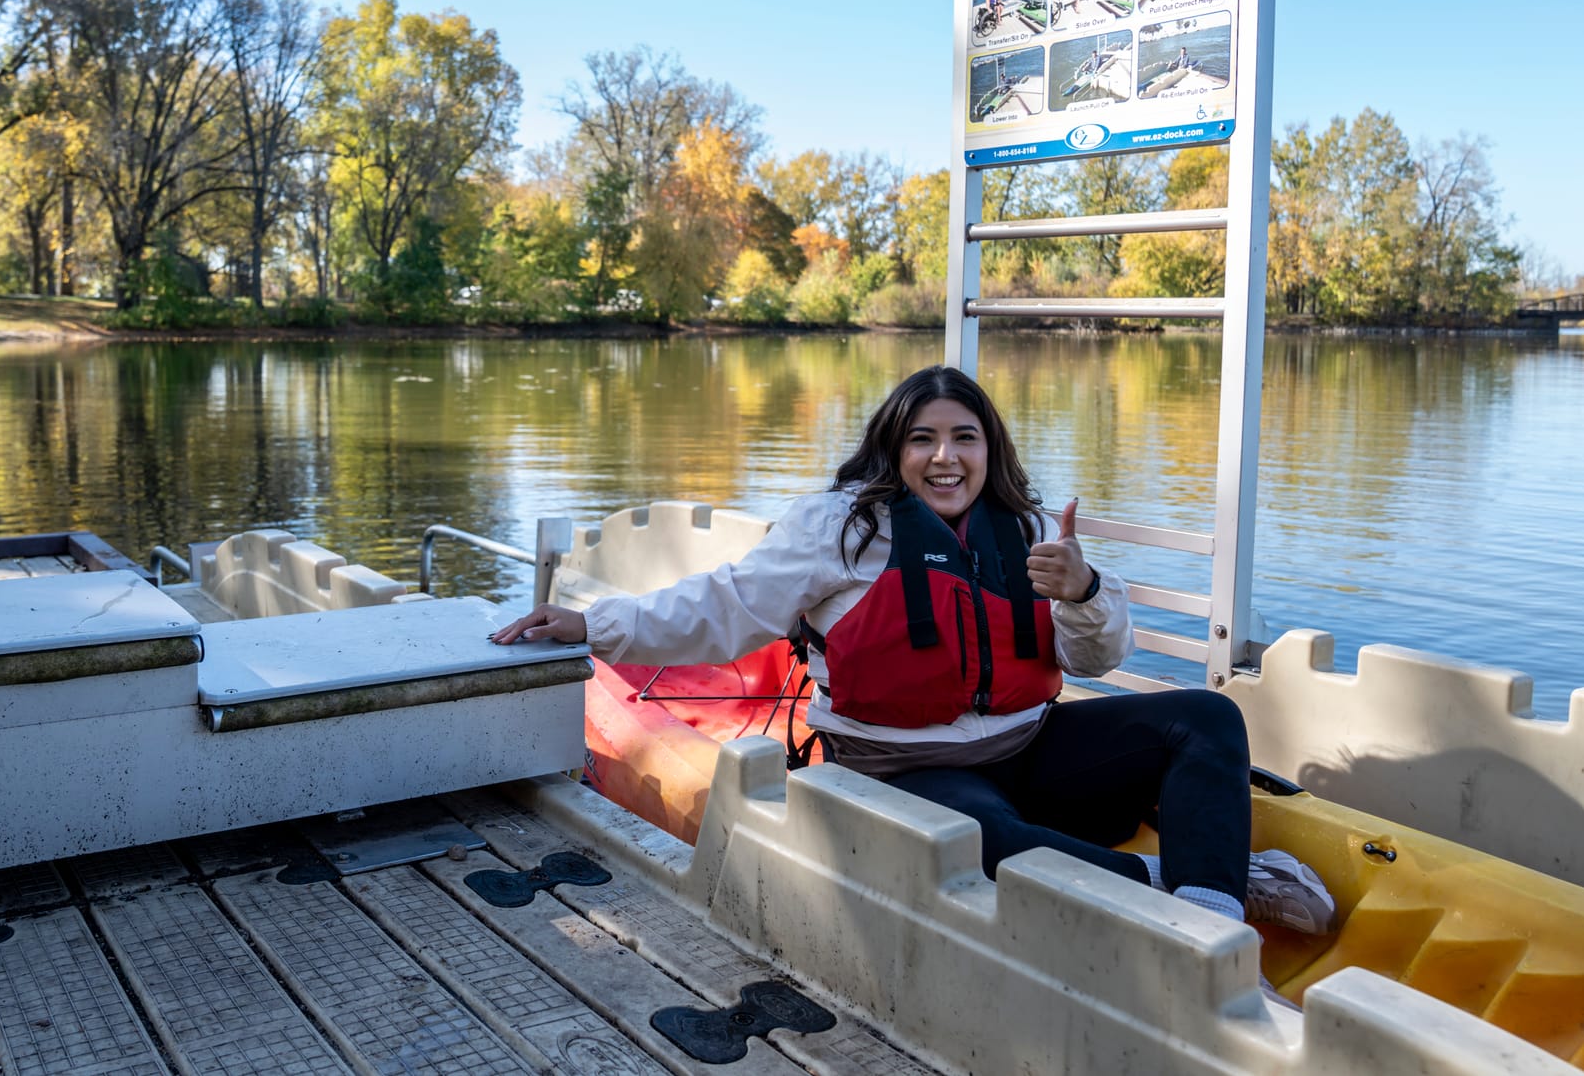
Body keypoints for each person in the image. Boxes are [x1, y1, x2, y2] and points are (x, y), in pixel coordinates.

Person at [494, 365, 1335, 951]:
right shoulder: (838, 528)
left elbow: (1101, 657)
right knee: (984, 834)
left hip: (1028, 744)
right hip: (903, 768)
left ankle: (1215, 907)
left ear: (988, 447)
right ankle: (1163, 884)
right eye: (924, 438)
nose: (945, 456)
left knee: (1207, 716)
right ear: (894, 450)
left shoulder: (1035, 530)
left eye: (964, 437)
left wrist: (1083, 589)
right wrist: (592, 625)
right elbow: (722, 607)